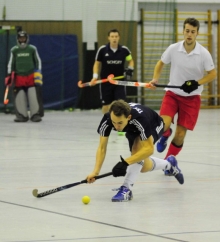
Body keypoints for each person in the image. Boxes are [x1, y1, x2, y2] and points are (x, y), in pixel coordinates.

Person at [149, 17, 217, 175]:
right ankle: (165, 134)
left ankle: (167, 163)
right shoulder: (173, 48)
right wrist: (155, 79)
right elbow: (160, 63)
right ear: (183, 31)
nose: (189, 34)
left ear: (197, 33)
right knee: (163, 124)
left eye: (193, 32)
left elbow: (213, 74)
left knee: (180, 134)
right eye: (187, 31)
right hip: (172, 94)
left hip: (192, 98)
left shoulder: (203, 54)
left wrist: (197, 83)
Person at [86, 100, 184, 202]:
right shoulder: (107, 119)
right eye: (114, 122)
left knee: (137, 151)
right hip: (131, 129)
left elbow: (149, 149)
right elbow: (102, 148)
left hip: (153, 124)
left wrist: (125, 163)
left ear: (128, 117)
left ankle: (126, 189)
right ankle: (169, 164)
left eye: (119, 123)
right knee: (143, 166)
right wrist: (95, 172)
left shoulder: (140, 119)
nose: (116, 126)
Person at [90, 29, 134, 114]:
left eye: (116, 36)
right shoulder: (102, 50)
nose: (114, 38)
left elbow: (130, 60)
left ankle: (120, 124)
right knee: (106, 105)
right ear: (109, 38)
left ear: (119, 38)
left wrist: (130, 68)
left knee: (121, 104)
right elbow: (96, 64)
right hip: (106, 82)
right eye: (112, 37)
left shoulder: (124, 50)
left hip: (119, 82)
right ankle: (106, 122)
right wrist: (95, 77)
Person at [6, 30, 44, 122]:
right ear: (18, 39)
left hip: (31, 76)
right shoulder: (14, 50)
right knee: (20, 96)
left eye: (24, 38)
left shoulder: (32, 49)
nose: (22, 40)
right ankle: (22, 115)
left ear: (27, 39)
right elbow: (11, 63)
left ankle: (35, 115)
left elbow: (38, 61)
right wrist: (9, 74)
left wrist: (38, 72)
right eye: (20, 38)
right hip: (19, 77)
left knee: (33, 94)